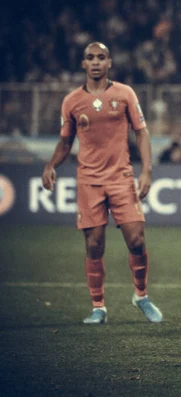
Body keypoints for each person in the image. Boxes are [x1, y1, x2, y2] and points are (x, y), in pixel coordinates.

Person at [41, 42, 162, 324]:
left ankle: (141, 296)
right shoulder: (71, 101)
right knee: (94, 245)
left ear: (109, 63)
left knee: (136, 238)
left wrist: (147, 171)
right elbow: (65, 141)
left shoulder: (124, 94)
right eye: (90, 58)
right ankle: (99, 307)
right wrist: (50, 165)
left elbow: (141, 133)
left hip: (121, 177)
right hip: (89, 180)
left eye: (101, 58)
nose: (95, 62)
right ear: (83, 64)